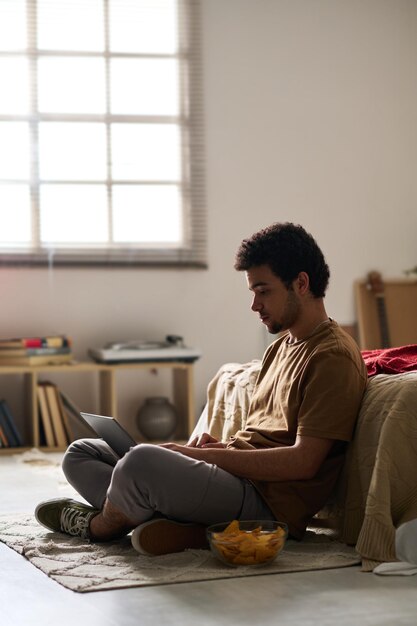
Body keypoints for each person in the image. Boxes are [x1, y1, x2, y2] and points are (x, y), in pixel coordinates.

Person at [35, 222, 367, 555]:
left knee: (140, 463)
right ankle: (163, 519)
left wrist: (199, 456)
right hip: (237, 480)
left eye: (263, 291)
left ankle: (101, 526)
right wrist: (219, 447)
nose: (255, 304)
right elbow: (263, 438)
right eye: (253, 292)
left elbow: (302, 463)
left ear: (301, 283)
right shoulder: (280, 347)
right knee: (82, 452)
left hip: (267, 504)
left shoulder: (332, 356)